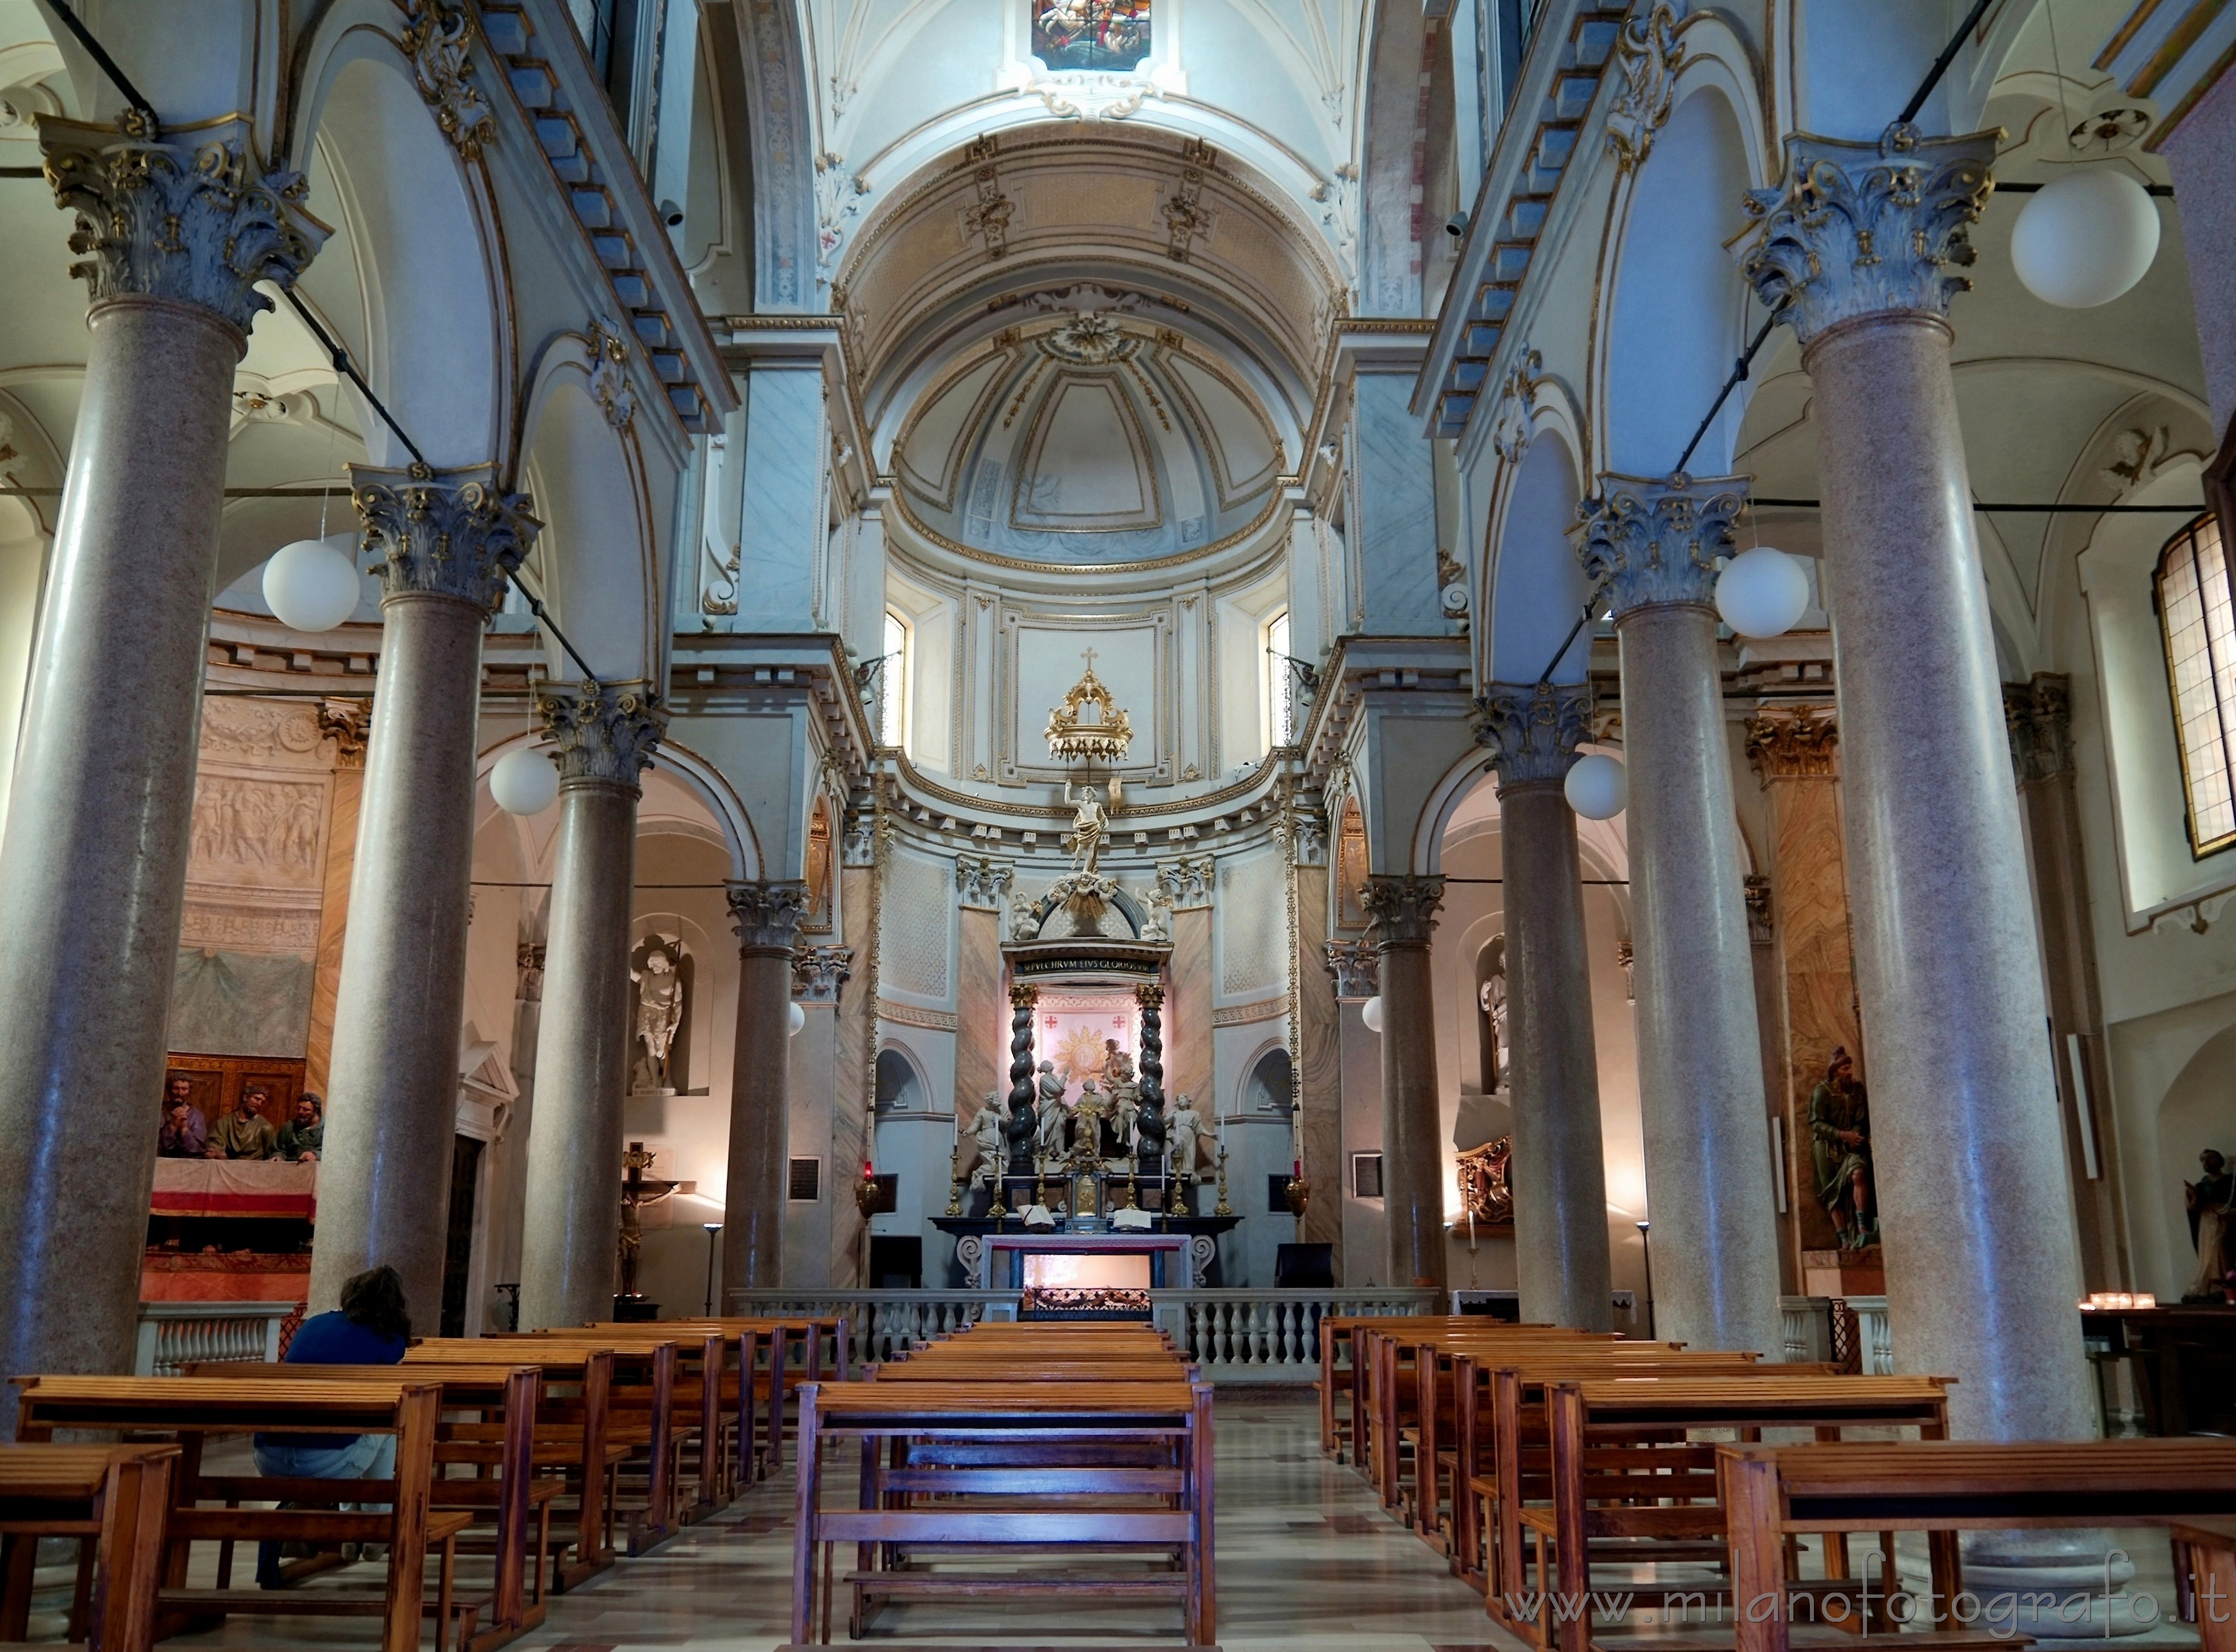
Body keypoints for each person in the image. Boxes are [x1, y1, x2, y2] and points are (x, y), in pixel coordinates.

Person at [253, 1265, 412, 1586]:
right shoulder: (388, 1338)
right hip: (325, 1461)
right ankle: (373, 1527)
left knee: (356, 1428)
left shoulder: (313, 1325)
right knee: (397, 1421)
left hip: (268, 1456)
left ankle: (319, 1517)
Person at [1808, 1048, 1874, 1248]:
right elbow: (1815, 1122)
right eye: (1845, 1068)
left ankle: (1862, 1226)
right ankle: (1844, 1238)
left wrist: (1853, 1134)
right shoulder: (1822, 1091)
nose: (1850, 1072)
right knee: (1832, 1192)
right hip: (1826, 1148)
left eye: (1850, 1068)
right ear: (1835, 1071)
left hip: (1851, 1145)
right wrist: (1841, 1135)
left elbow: (1862, 1117)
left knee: (1859, 1174)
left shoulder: (1857, 1090)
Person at [2185, 1148, 2235, 1301]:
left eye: (2210, 1159)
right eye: (2203, 1160)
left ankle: (2223, 1283)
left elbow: (2232, 1203)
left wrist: (2219, 1210)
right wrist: (2192, 1197)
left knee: (2221, 1249)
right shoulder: (2201, 1186)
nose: (2206, 1163)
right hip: (2206, 1225)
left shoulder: (2230, 1182)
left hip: (2223, 1222)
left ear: (2220, 1161)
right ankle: (2209, 1285)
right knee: (2207, 1254)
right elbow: (2192, 1208)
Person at [207, 1086, 278, 1160]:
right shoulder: (224, 1123)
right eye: (257, 1099)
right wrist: (217, 1152)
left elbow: (272, 1152)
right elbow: (215, 1146)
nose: (259, 1104)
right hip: (227, 1167)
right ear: (245, 1098)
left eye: (262, 1102)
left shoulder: (265, 1127)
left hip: (254, 1168)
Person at [157, 1076, 206, 1158]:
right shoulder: (159, 1112)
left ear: (189, 1092)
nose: (180, 1093)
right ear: (169, 1090)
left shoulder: (197, 1116)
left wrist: (184, 1129)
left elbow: (197, 1149)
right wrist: (173, 1126)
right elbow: (152, 1146)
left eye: (184, 1089)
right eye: (176, 1088)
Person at [275, 1093, 323, 1163]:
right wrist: (278, 1157)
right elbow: (278, 1149)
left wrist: (316, 1155)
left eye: (306, 1109)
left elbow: (334, 1153)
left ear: (316, 1112)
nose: (300, 1112)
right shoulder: (289, 1127)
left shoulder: (327, 1129)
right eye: (299, 1108)